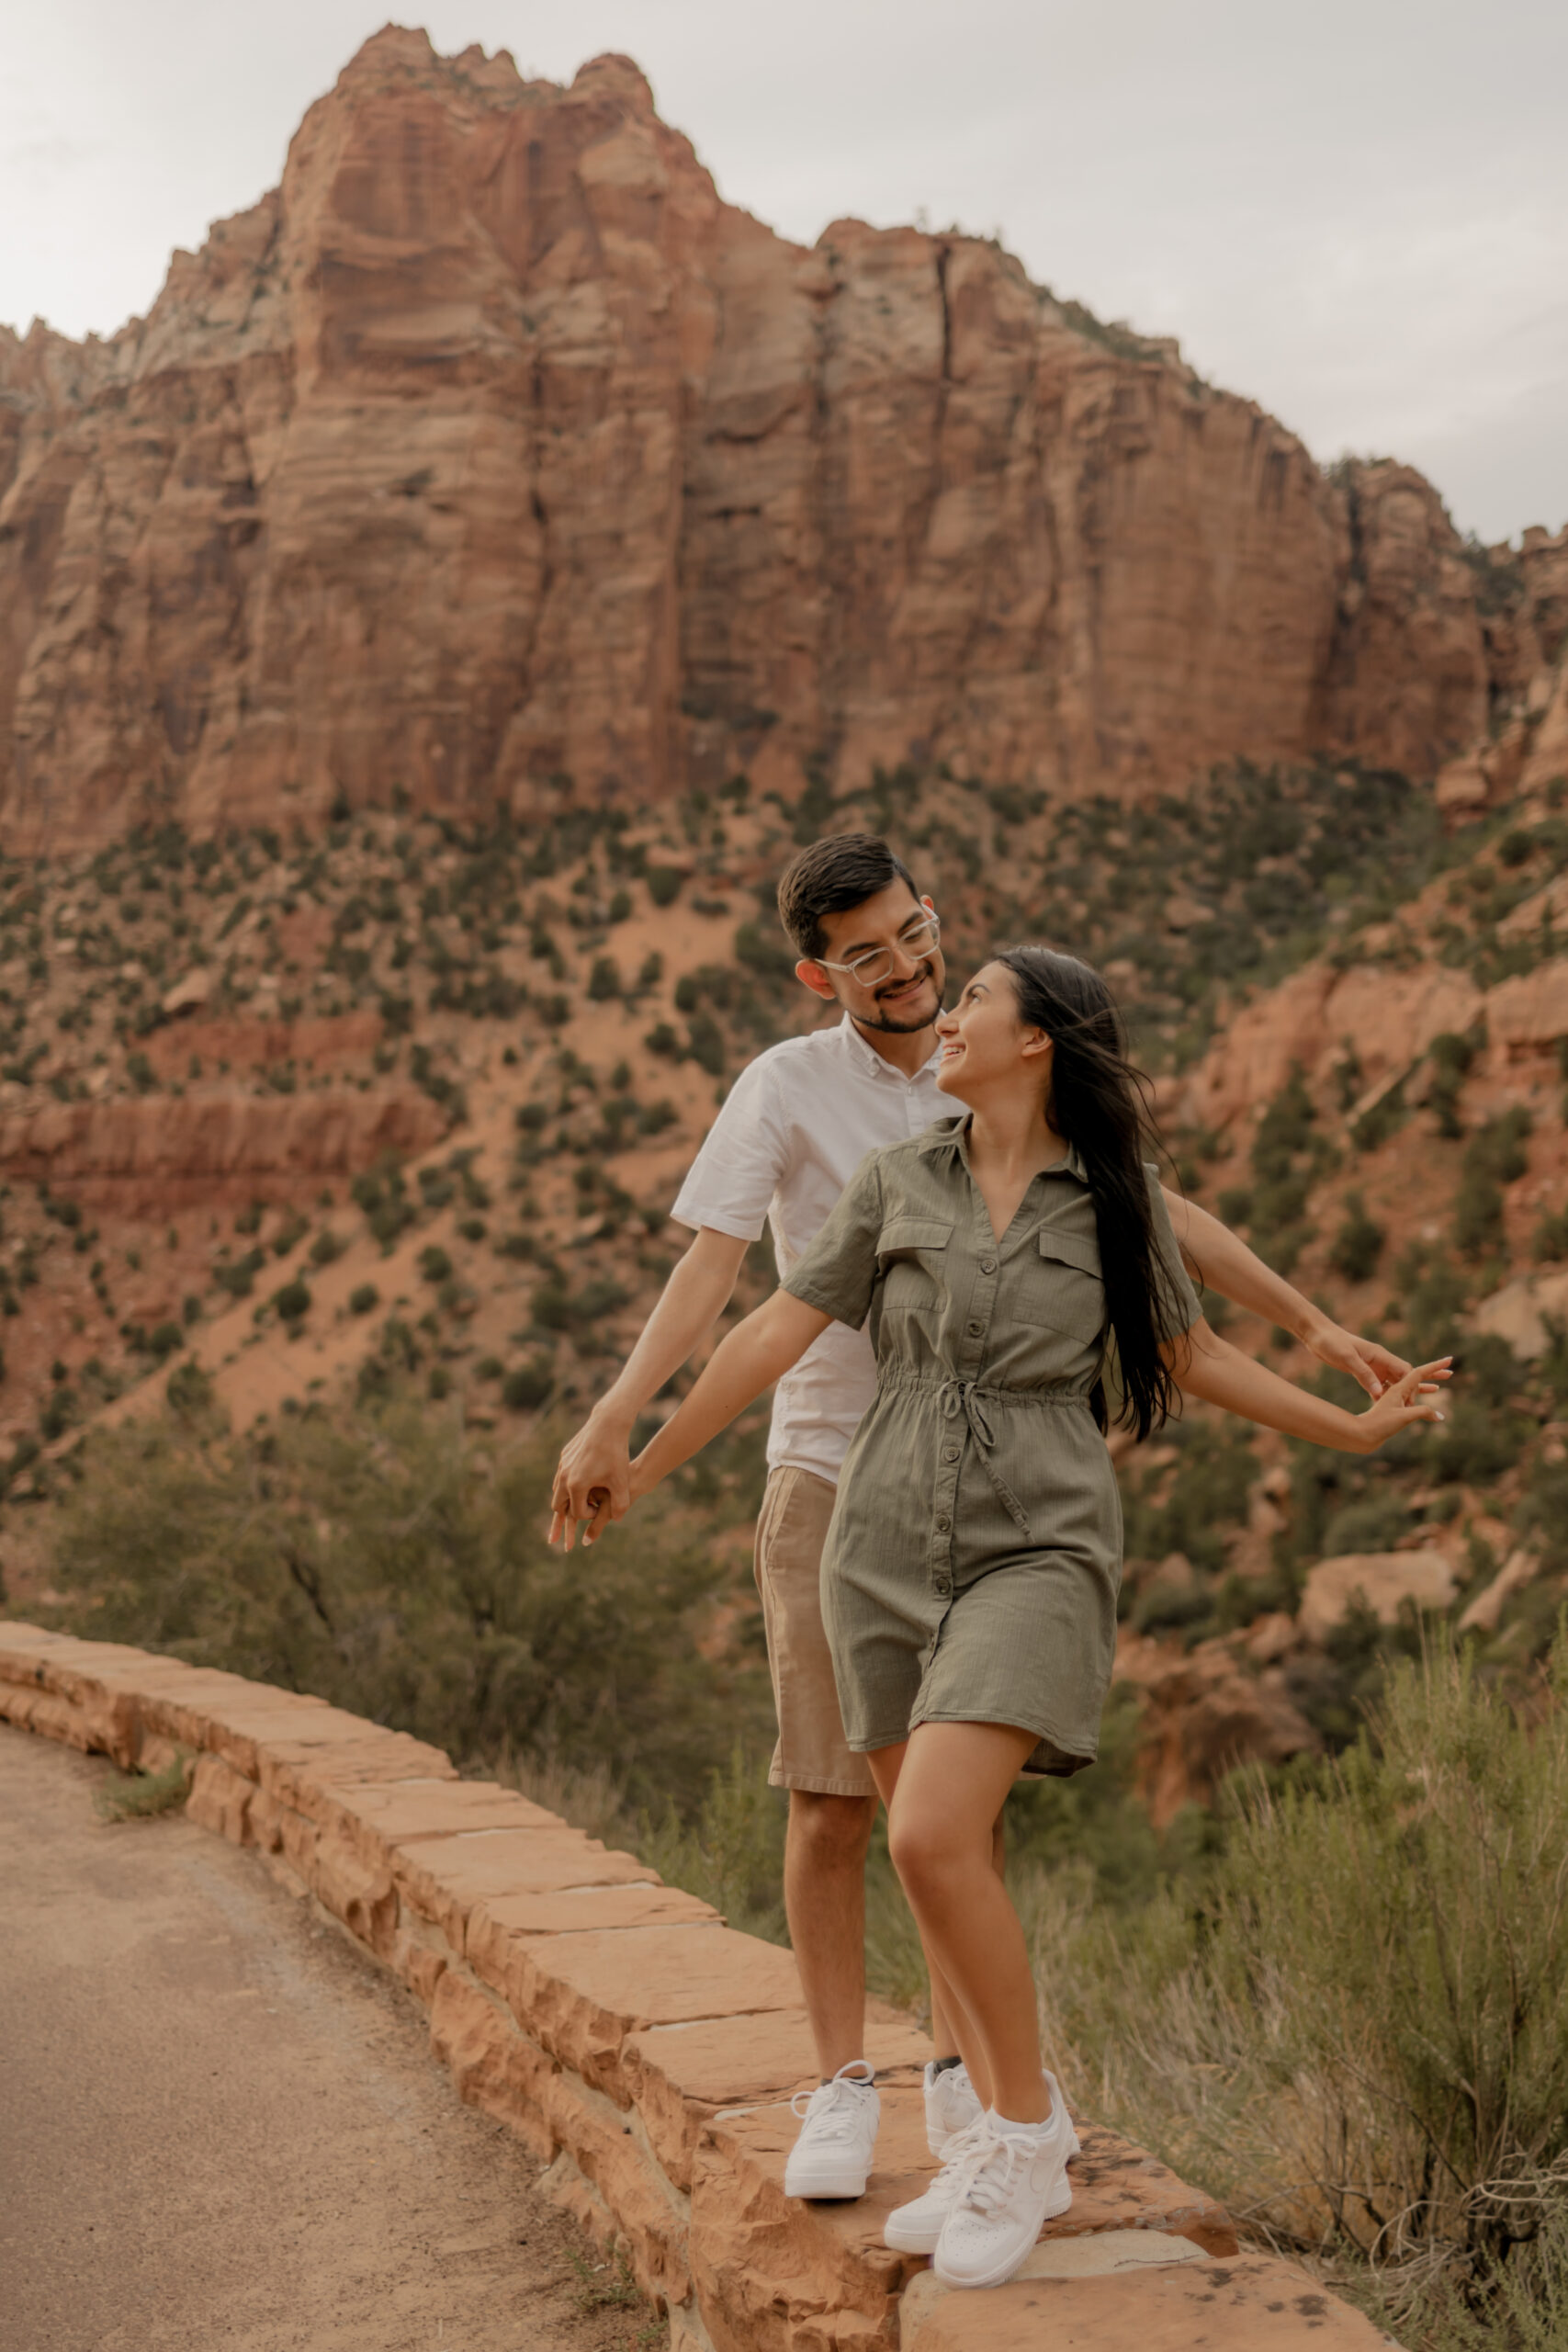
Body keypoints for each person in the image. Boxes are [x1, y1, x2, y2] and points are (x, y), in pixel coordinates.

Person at [549, 835, 1412, 2203]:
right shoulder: (795, 1090)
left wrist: (1310, 1323)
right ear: (818, 970)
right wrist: (623, 1428)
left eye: (916, 933)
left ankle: (976, 2084)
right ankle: (845, 2083)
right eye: (869, 952)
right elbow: (729, 1281)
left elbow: (1154, 1218)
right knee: (836, 1803)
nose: (907, 968)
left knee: (951, 1820)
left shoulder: (994, 1069)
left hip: (1010, 1491)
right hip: (842, 1472)